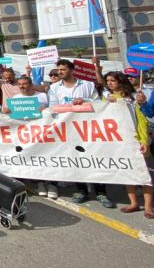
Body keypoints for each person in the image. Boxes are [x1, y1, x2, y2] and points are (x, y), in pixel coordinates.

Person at [48, 59, 113, 207]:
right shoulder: (54, 88)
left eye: (63, 69)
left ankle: (101, 192)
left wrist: (84, 100)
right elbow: (53, 108)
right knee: (75, 160)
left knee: (94, 159)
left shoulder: (87, 85)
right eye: (59, 70)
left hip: (88, 128)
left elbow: (98, 103)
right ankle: (81, 190)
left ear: (72, 70)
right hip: (68, 129)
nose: (60, 72)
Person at [102, 72, 153, 218]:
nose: (110, 83)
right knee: (127, 172)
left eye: (113, 80)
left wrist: (144, 141)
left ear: (121, 81)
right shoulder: (106, 97)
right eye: (108, 80)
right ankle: (133, 203)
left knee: (146, 174)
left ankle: (148, 207)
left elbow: (142, 120)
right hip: (119, 141)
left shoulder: (133, 98)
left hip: (136, 139)